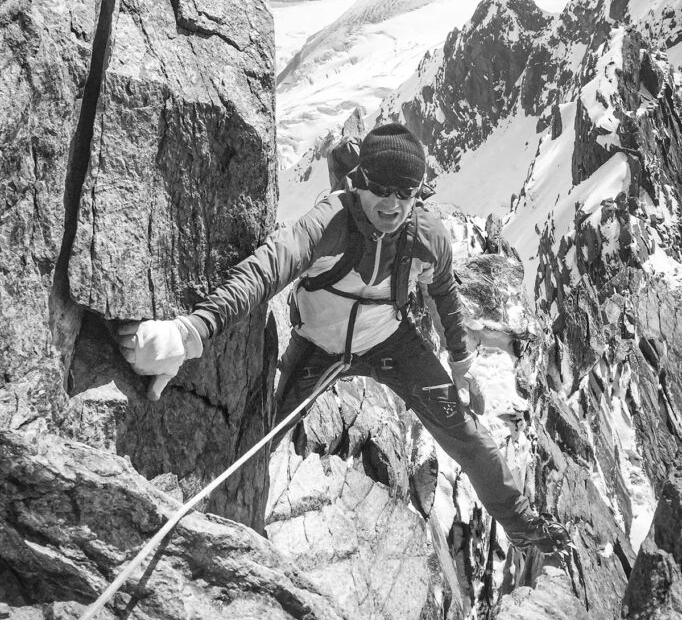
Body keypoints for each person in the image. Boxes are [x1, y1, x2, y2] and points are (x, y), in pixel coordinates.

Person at [117, 124, 569, 555]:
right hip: (320, 345)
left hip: (391, 344)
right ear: (361, 181)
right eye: (382, 189)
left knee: (466, 435)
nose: (392, 204)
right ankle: (228, 528)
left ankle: (526, 529)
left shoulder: (428, 236)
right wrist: (192, 331)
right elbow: (269, 267)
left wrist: (460, 362)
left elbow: (444, 294)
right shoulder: (332, 221)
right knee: (266, 436)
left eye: (406, 193)